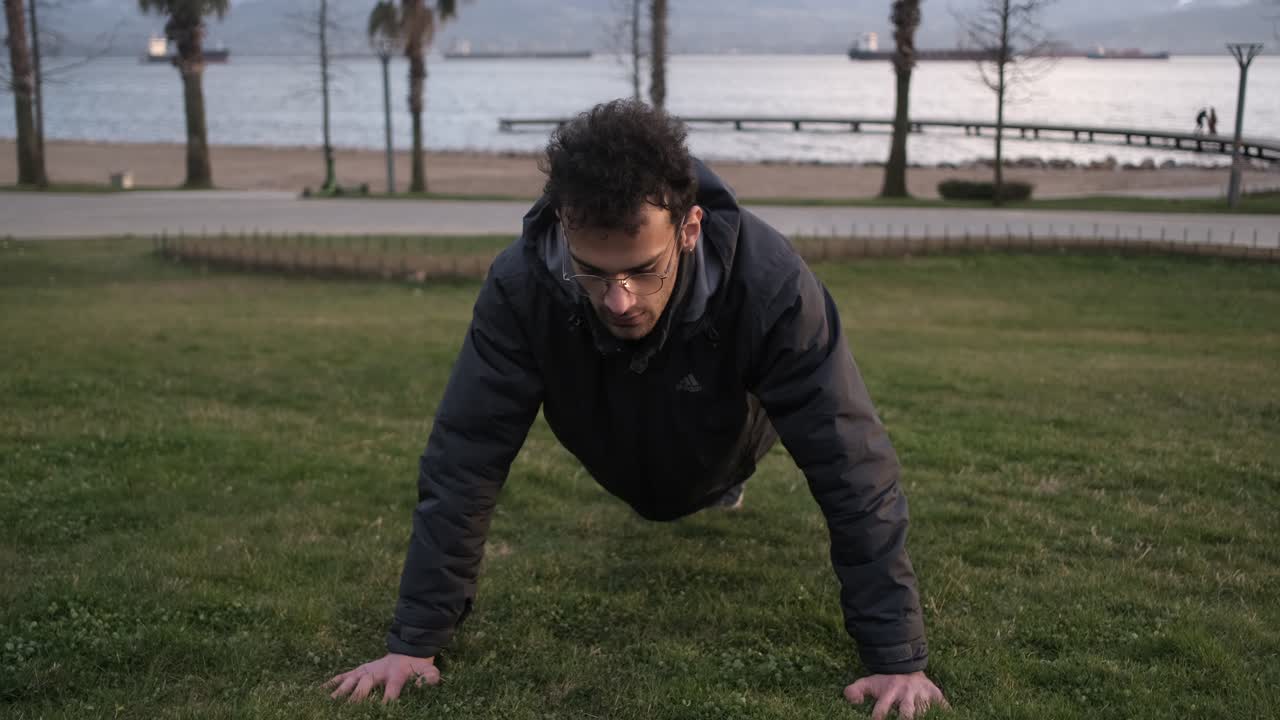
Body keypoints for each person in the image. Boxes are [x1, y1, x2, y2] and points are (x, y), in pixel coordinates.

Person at [324, 99, 948, 717]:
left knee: (743, 444)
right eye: (592, 273)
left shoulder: (771, 283)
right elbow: (465, 458)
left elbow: (850, 460)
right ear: (566, 227)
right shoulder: (521, 287)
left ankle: (720, 484)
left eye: (642, 271)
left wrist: (895, 654)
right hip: (610, 435)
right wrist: (415, 643)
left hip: (727, 430)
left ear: (690, 227)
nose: (619, 300)